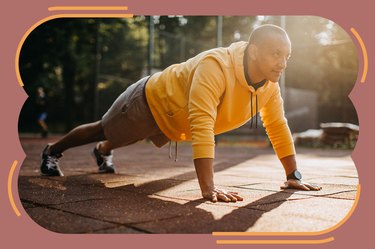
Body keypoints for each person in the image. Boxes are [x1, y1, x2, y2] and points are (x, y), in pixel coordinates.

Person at [40, 24, 322, 203]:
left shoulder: (269, 87)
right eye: (276, 54)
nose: (283, 63)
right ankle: (52, 151)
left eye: (287, 56)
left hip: (174, 121)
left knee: (125, 137)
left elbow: (277, 125)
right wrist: (208, 188)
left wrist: (292, 174)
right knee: (105, 128)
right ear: (255, 51)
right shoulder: (216, 66)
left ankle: (103, 151)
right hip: (148, 102)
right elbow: (203, 122)